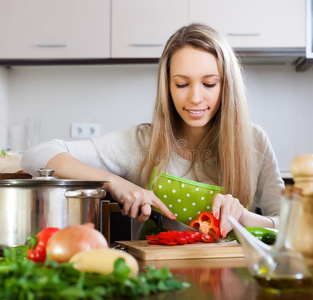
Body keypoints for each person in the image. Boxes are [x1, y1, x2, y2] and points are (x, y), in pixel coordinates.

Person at [21, 23, 284, 239]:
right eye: (182, 84)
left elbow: (292, 225)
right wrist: (115, 183)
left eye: (209, 83)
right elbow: (37, 154)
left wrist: (246, 218)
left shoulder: (254, 141)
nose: (195, 97)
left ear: (226, 86)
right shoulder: (142, 143)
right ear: (167, 87)